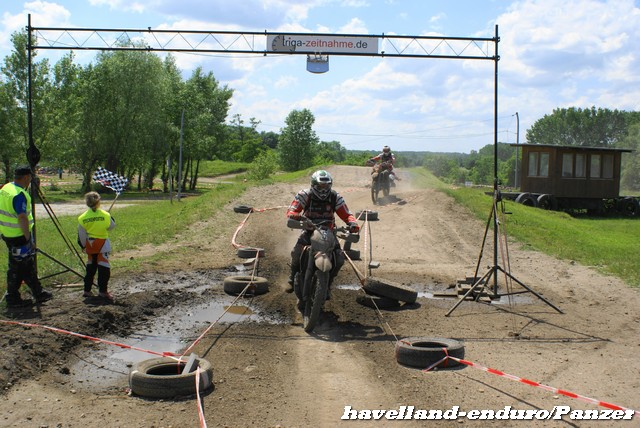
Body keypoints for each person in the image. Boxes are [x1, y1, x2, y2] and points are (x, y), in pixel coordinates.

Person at [285, 170, 360, 293]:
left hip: (329, 231)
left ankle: (328, 284)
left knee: (339, 259)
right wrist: (294, 215)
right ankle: (292, 279)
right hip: (309, 229)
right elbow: (292, 209)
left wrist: (353, 223)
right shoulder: (305, 195)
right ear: (314, 185)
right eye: (320, 186)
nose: (324, 189)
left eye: (326, 186)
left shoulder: (335, 197)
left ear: (330, 185)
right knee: (296, 252)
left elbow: (346, 214)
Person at [0, 166, 53, 308]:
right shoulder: (19, 194)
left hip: (8, 234)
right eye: (30, 177)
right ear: (25, 177)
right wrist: (28, 238)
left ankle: (36, 292)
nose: (30, 180)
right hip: (19, 236)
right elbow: (22, 217)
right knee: (21, 266)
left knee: (22, 265)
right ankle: (14, 297)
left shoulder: (6, 188)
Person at [78, 191, 116, 302]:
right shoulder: (105, 215)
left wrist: (83, 246)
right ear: (98, 202)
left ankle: (87, 290)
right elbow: (111, 227)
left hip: (90, 245)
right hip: (103, 244)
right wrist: (109, 217)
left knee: (90, 268)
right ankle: (103, 291)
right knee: (104, 268)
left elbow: (81, 235)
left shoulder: (82, 217)